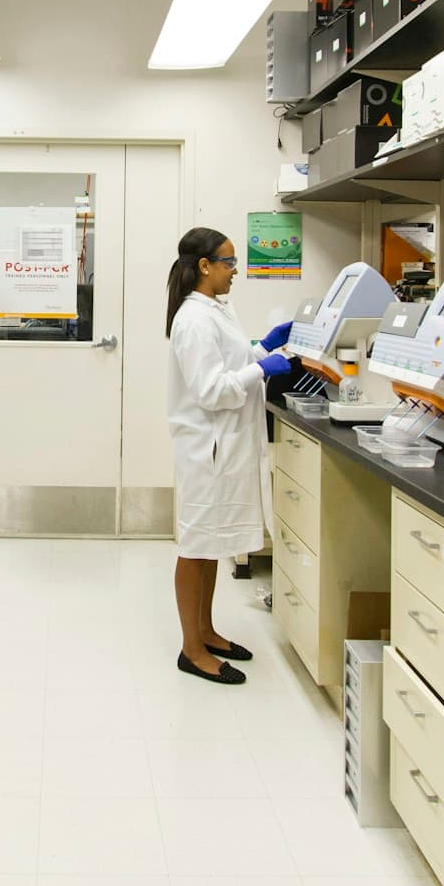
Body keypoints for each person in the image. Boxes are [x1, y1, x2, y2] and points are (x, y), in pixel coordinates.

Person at [164, 227, 294, 684]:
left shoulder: (217, 309)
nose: (235, 271)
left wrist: (262, 348)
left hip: (222, 446)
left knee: (212, 545)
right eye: (229, 263)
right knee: (196, 545)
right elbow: (211, 388)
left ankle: (207, 630)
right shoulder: (194, 319)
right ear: (205, 266)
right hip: (206, 449)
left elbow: (228, 364)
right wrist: (262, 369)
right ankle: (191, 649)